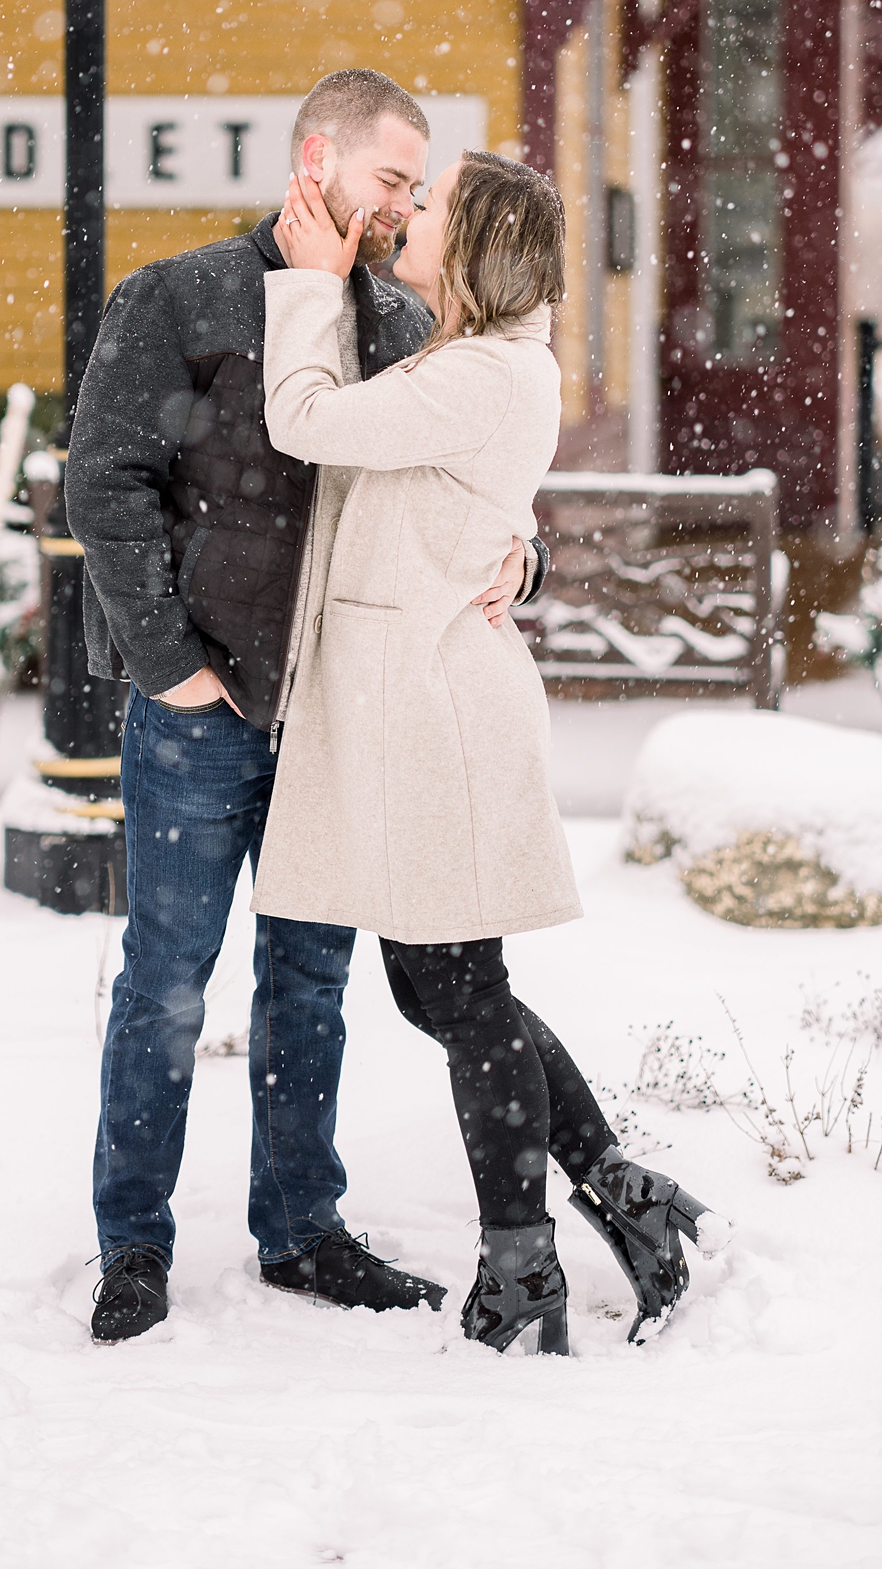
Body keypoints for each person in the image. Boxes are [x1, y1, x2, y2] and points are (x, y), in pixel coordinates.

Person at [66, 71, 548, 1342]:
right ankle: (133, 1242)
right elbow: (102, 487)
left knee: (309, 984)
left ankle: (300, 1230)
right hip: (199, 713)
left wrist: (522, 555)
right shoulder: (175, 299)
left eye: (415, 188)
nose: (402, 206)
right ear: (316, 159)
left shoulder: (401, 322)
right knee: (165, 981)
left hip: (336, 714)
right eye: (391, 179)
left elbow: (468, 471)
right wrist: (169, 663)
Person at [255, 150, 730, 1355]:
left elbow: (301, 419)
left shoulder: (480, 371)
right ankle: (621, 1197)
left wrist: (309, 281)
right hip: (424, 702)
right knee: (447, 988)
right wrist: (513, 544)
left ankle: (522, 1263)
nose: (409, 214)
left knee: (457, 993)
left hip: (437, 719)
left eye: (433, 202)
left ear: (472, 245)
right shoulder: (478, 361)